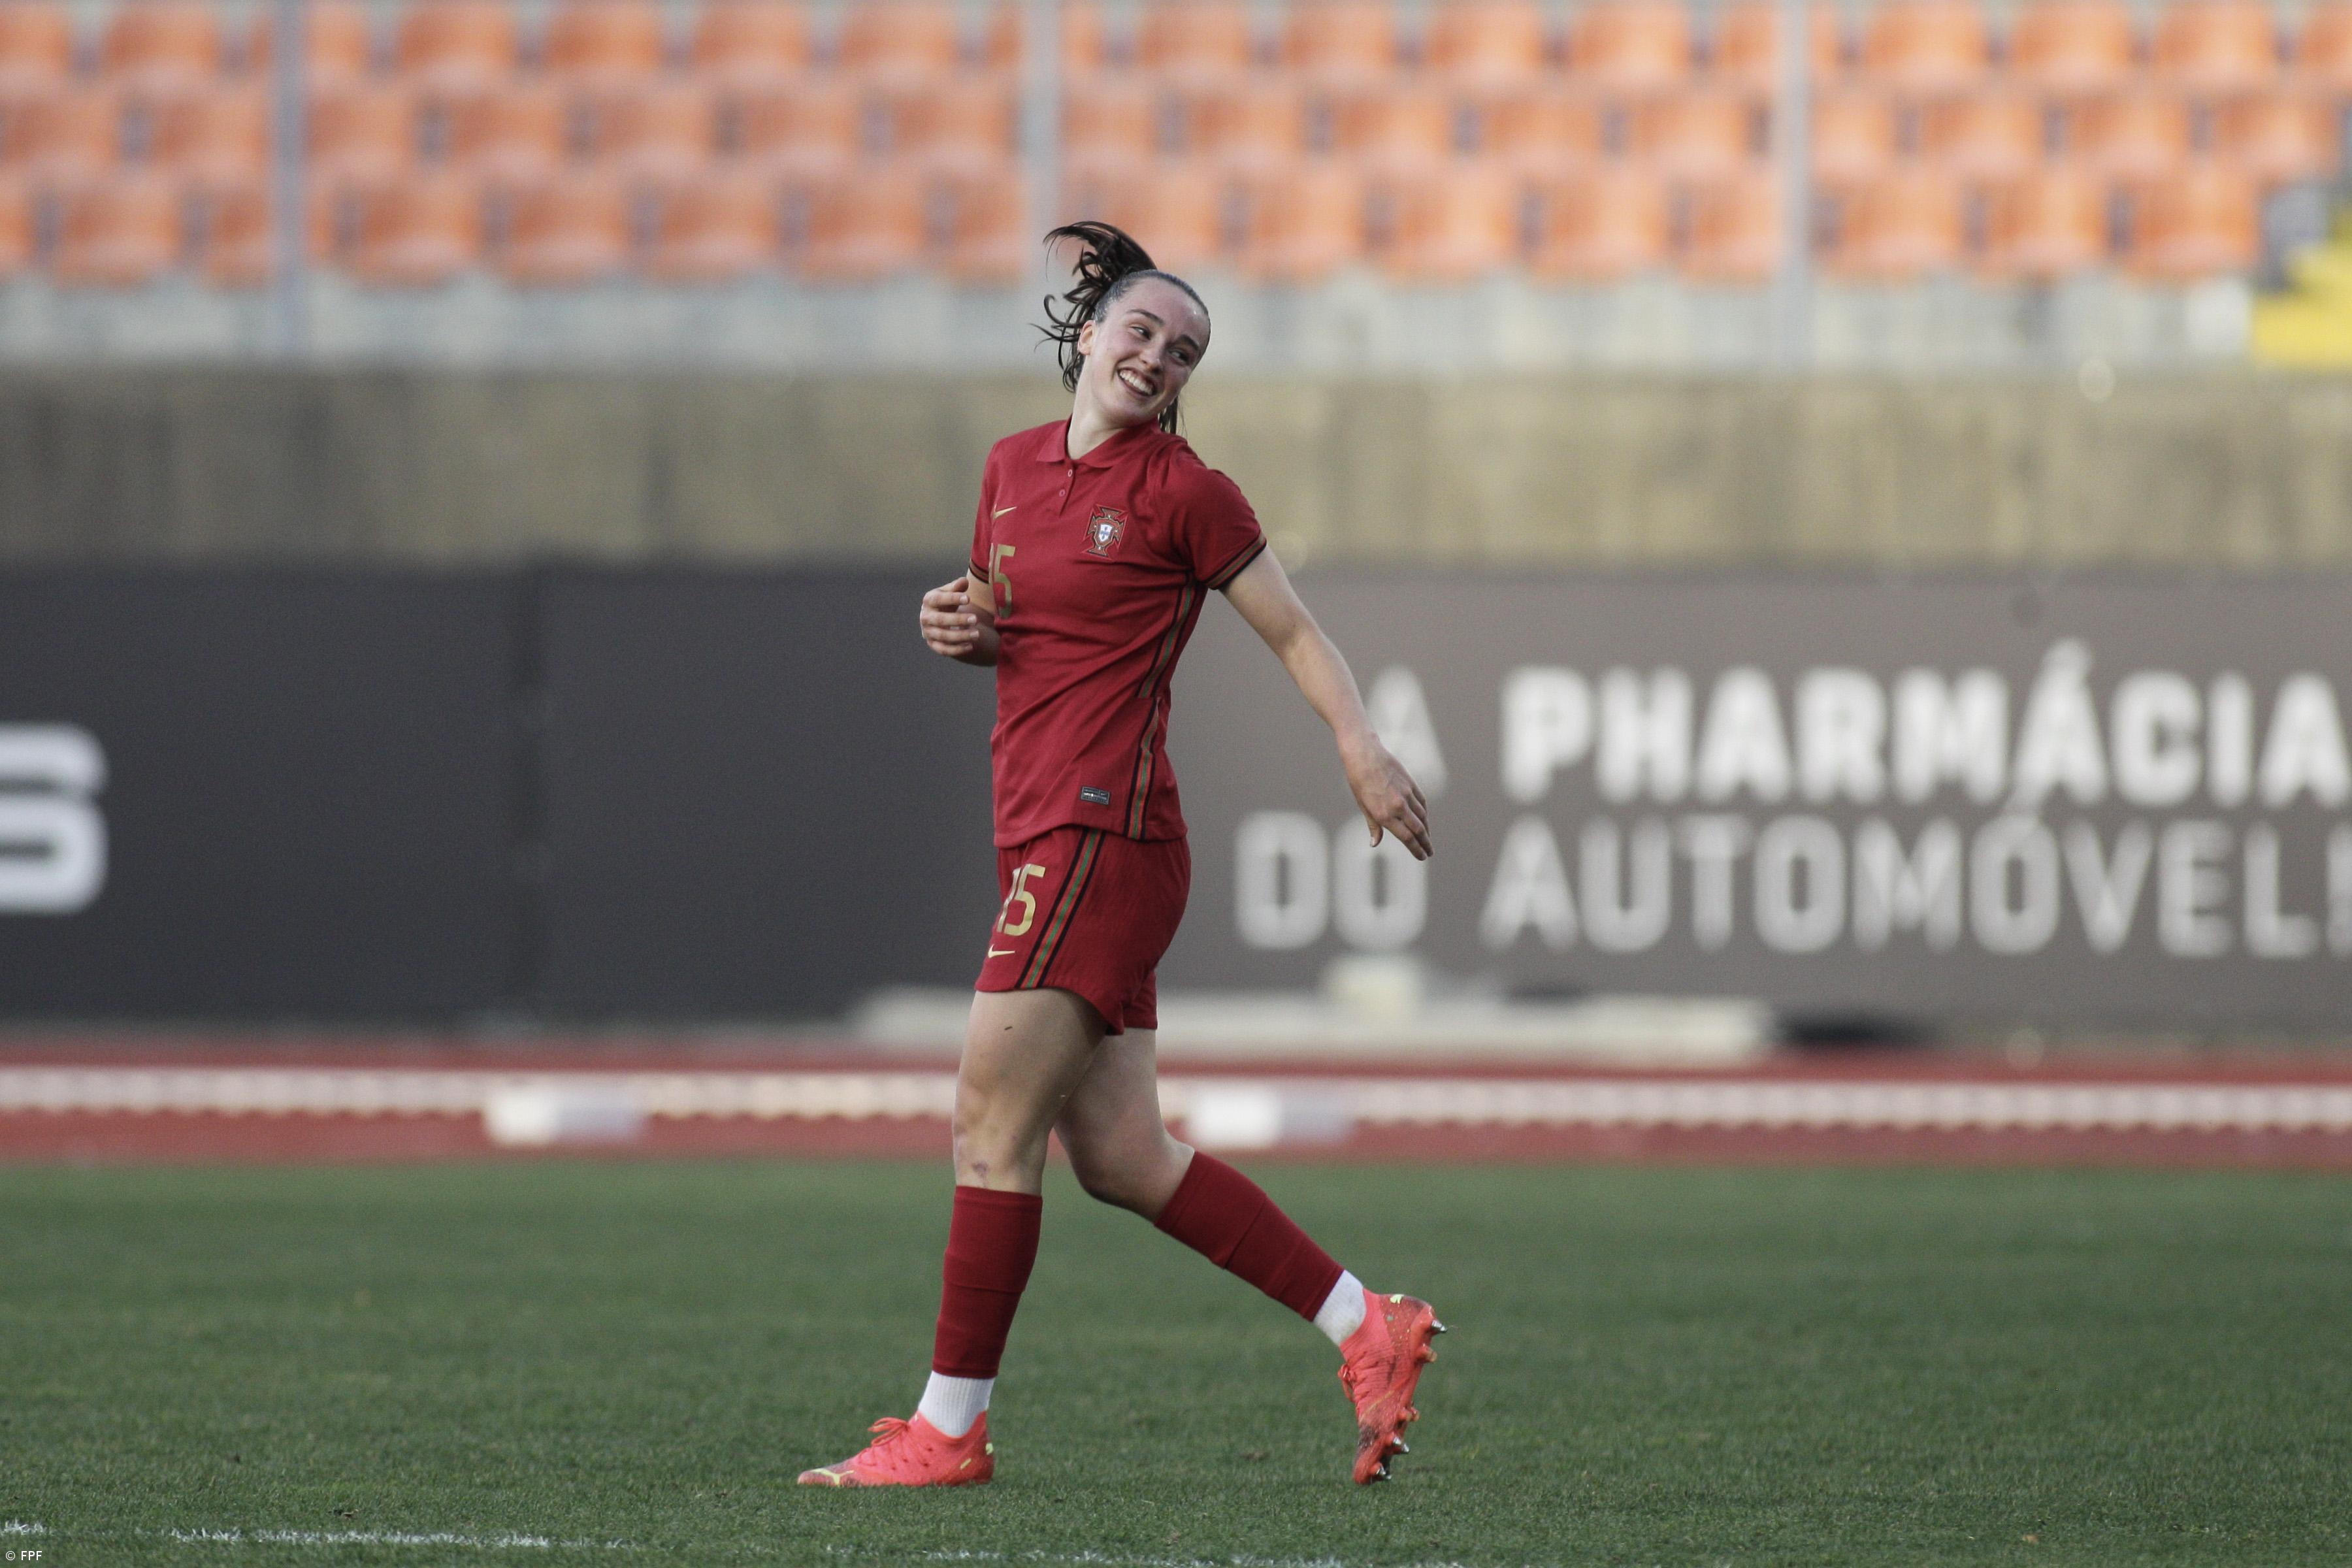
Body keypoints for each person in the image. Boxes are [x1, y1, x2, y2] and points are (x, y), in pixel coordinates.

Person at [799, 222, 1443, 1491]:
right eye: (1143, 330)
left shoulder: (1186, 493)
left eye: (1184, 350)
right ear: (1090, 331)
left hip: (1102, 831)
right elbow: (1027, 629)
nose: (1158, 356)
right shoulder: (1009, 468)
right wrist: (965, 628)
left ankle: (947, 1431)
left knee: (988, 1123)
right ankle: (1369, 1324)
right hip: (1048, 827)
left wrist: (1360, 743)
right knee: (1124, 1158)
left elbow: (1296, 634)